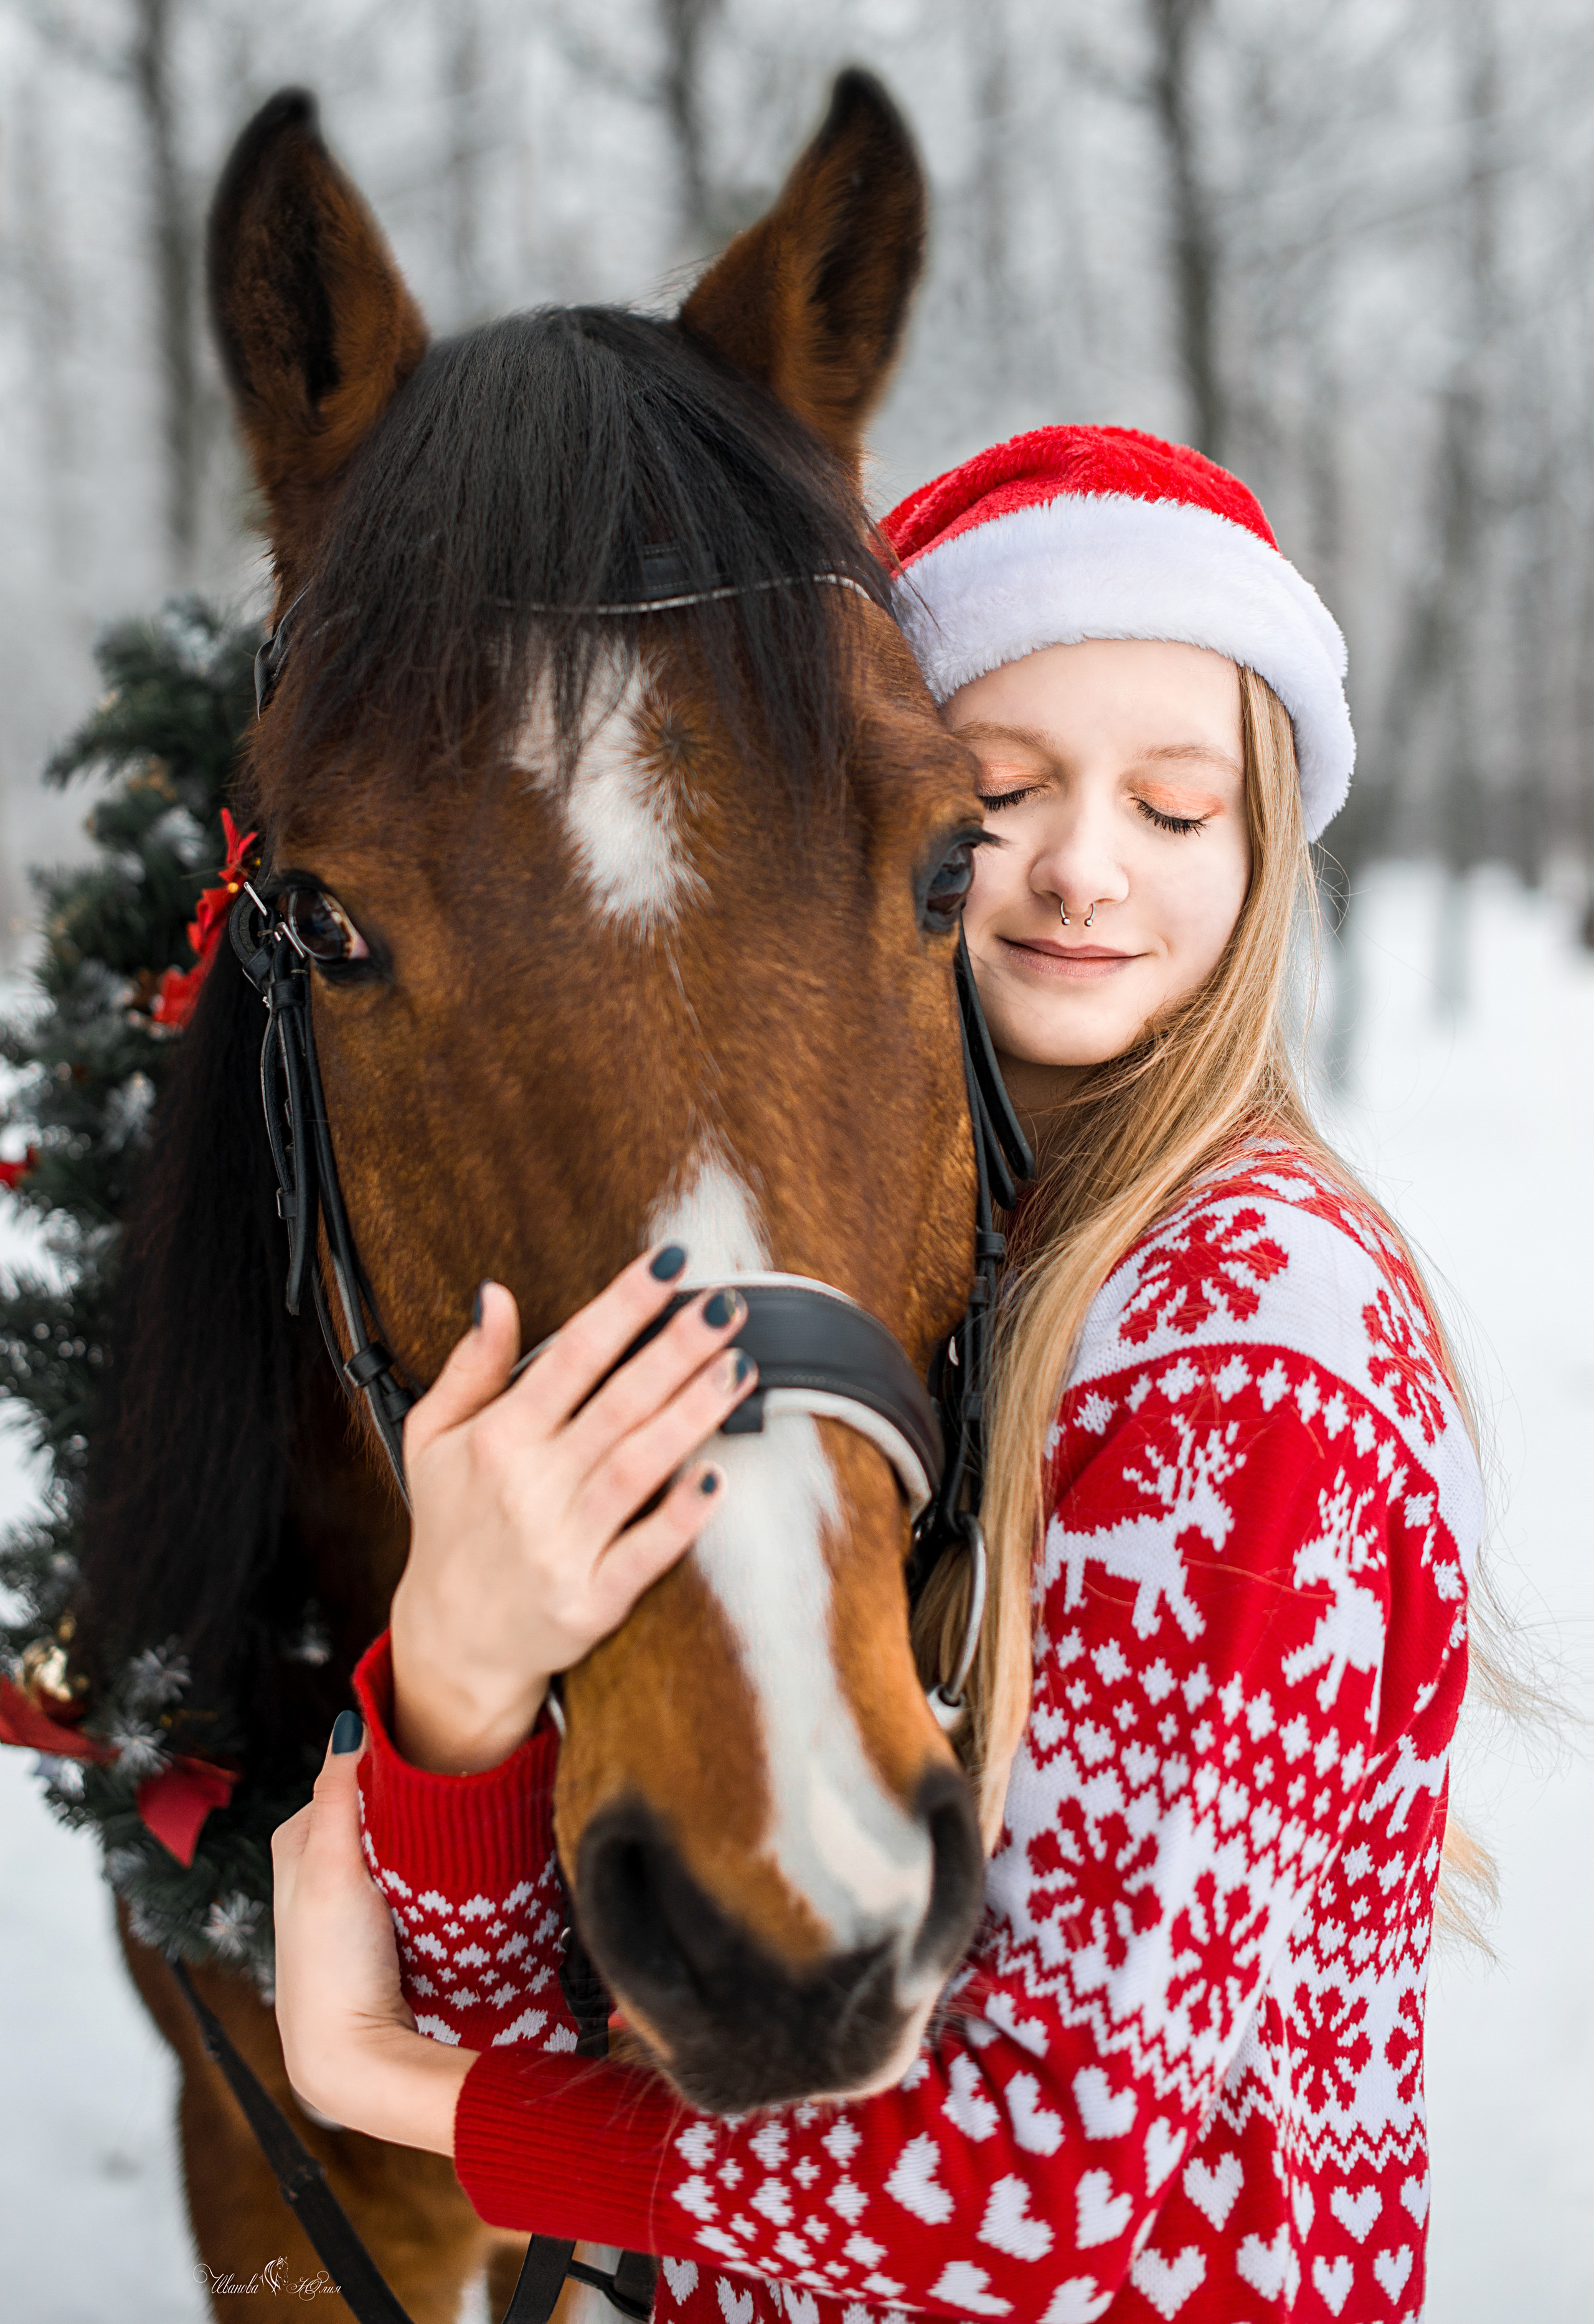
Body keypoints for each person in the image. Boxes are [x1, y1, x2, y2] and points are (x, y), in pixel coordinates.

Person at [271, 428, 1481, 2324]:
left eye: (1178, 808)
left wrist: (381, 2077)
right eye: (1007, 792)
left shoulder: (1260, 1335)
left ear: (1262, 860)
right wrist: (462, 1689)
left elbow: (1044, 2187)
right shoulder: (890, 1292)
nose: (1084, 866)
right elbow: (642, 2088)